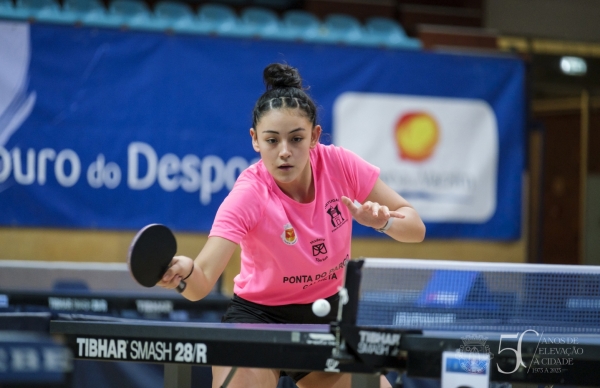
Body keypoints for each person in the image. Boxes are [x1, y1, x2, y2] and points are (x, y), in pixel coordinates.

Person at [158, 63, 426, 388]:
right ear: (255, 140)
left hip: (325, 318)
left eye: (296, 138)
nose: (284, 152)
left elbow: (415, 228)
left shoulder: (340, 165)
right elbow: (200, 284)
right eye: (272, 141)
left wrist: (384, 222)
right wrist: (185, 271)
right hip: (258, 319)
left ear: (314, 136)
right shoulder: (248, 195)